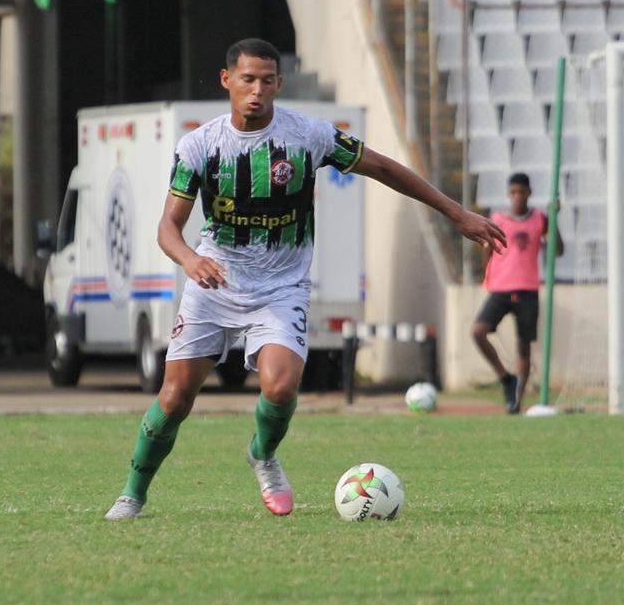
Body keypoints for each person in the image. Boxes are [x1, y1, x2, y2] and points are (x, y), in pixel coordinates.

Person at [104, 38, 507, 521]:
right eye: (247, 79)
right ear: (226, 80)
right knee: (174, 398)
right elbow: (167, 228)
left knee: (280, 387)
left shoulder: (308, 136)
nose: (256, 91)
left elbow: (381, 166)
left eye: (267, 81)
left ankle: (263, 454)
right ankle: (133, 493)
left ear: (279, 83)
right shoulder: (199, 146)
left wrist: (457, 213)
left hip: (281, 285)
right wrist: (190, 260)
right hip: (215, 283)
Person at [471, 173, 564, 415]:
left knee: (523, 348)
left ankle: (515, 402)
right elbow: (487, 249)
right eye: (512, 193)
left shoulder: (539, 219)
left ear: (529, 193)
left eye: (521, 192)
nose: (517, 197)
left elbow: (558, 250)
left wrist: (553, 219)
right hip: (500, 288)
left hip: (527, 288)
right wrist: (486, 274)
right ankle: (506, 379)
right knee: (478, 332)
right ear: (508, 194)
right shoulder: (499, 219)